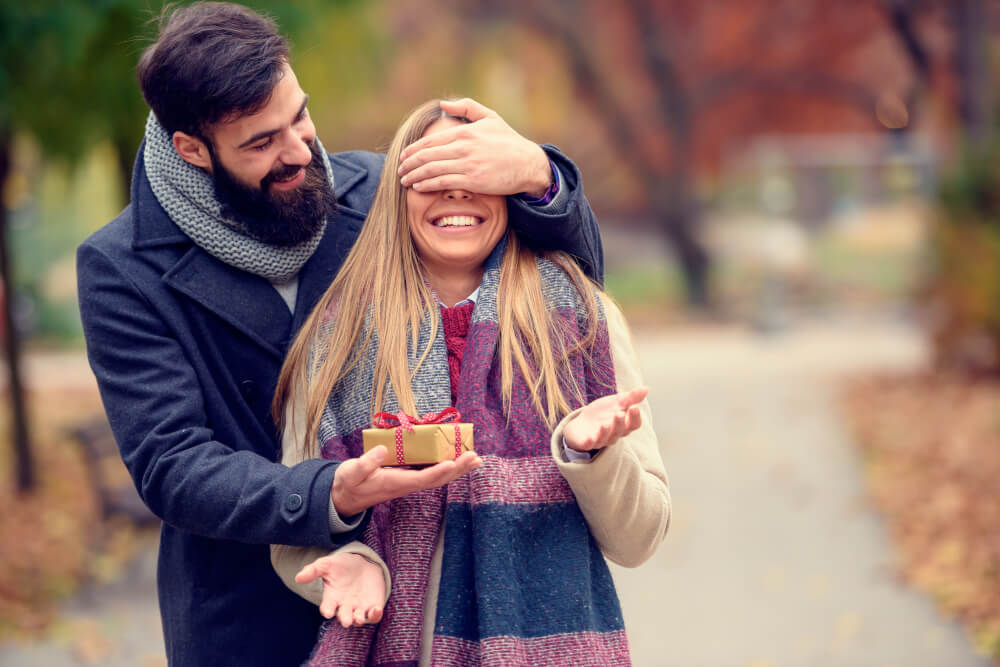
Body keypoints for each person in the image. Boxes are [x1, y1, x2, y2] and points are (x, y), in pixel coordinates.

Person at [75, 4, 604, 667]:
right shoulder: (122, 266)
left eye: (299, 116)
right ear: (192, 149)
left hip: (416, 601)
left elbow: (570, 293)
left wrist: (540, 177)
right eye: (261, 142)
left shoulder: (377, 188)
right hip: (251, 617)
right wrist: (330, 492)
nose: (298, 150)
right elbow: (172, 463)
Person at [271, 100, 670, 667]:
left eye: (475, 173)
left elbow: (640, 537)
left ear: (509, 188)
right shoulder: (335, 340)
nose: (456, 192)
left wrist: (593, 455)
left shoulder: (583, 319)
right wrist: (353, 564)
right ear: (395, 197)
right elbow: (293, 515)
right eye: (432, 173)